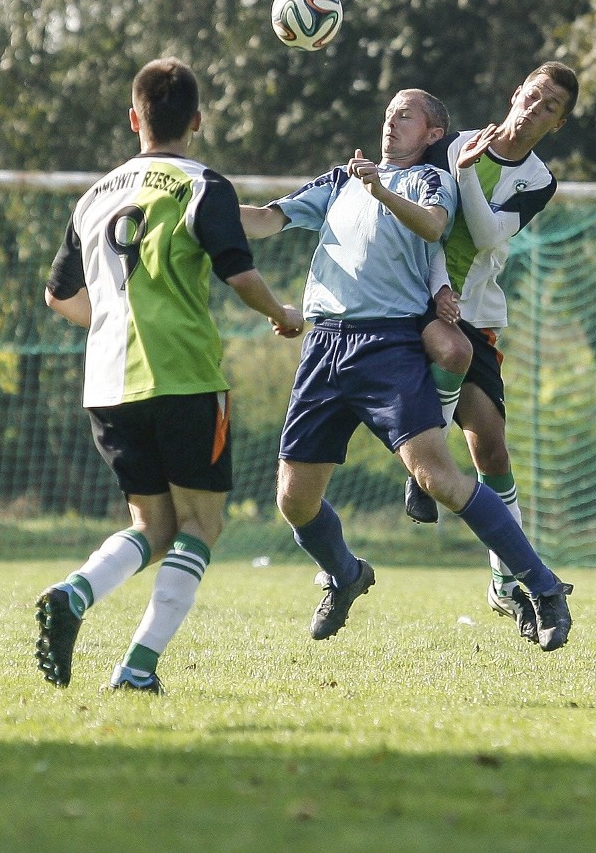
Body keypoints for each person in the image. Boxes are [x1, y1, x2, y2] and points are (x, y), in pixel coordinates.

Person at [240, 88, 574, 652]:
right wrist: (207, 204)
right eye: (389, 113)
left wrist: (379, 188)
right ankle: (346, 574)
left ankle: (540, 587)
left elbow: (434, 224)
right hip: (322, 347)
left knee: (438, 477)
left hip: (386, 345)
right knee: (293, 501)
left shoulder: (429, 180)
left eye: (406, 115)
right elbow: (267, 220)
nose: (391, 122)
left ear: (432, 135)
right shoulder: (339, 180)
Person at [35, 57, 304, 693]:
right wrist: (284, 314)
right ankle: (136, 668)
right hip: (182, 375)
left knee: (150, 527)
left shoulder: (94, 195)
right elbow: (240, 274)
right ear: (198, 121)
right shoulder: (202, 184)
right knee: (201, 526)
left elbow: (58, 296)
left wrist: (111, 326)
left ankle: (77, 592)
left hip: (106, 385)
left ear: (135, 119)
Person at [403, 62, 579, 644]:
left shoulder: (536, 179)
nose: (536, 107)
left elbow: (485, 236)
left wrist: (468, 175)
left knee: (494, 450)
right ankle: (424, 448)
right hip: (416, 301)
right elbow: (422, 217)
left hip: (475, 314)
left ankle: (506, 583)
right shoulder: (447, 145)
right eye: (533, 94)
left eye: (551, 106)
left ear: (556, 124)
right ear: (515, 93)